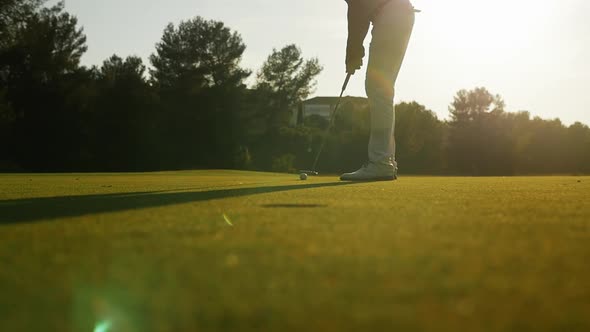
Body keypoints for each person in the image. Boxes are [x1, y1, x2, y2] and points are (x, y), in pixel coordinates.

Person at [340, 0, 417, 181]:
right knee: (383, 89)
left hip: (391, 14)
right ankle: (386, 160)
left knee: (378, 88)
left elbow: (357, 10)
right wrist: (354, 51)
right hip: (399, 14)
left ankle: (381, 163)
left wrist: (353, 52)